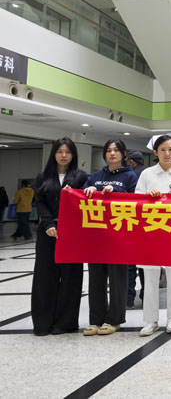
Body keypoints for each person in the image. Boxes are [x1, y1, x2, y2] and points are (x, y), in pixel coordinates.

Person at [136, 135, 171, 337]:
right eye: (162, 150)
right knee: (150, 277)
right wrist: (147, 196)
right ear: (155, 152)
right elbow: (136, 201)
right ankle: (150, 320)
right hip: (152, 232)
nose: (167, 153)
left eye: (170, 149)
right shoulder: (147, 174)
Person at [31, 138, 88, 336]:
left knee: (71, 276)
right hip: (47, 232)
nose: (64, 156)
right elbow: (39, 202)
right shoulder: (43, 177)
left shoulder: (81, 177)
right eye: (60, 152)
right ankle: (43, 323)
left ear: (73, 155)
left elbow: (85, 203)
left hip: (72, 233)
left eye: (68, 152)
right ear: (53, 154)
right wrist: (48, 223)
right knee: (45, 276)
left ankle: (65, 323)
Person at [82, 139, 138, 336]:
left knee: (117, 279)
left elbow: (136, 201)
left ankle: (115, 319)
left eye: (116, 150)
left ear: (123, 154)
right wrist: (88, 190)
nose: (112, 153)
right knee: (96, 279)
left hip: (118, 236)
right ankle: (95, 319)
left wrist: (117, 192)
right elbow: (81, 198)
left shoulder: (130, 176)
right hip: (97, 235)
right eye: (108, 150)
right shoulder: (96, 176)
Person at [126, 150, 147, 309]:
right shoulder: (147, 174)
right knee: (147, 265)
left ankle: (128, 299)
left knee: (130, 265)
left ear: (132, 162)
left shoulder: (129, 175)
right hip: (147, 225)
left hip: (129, 223)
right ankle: (147, 297)